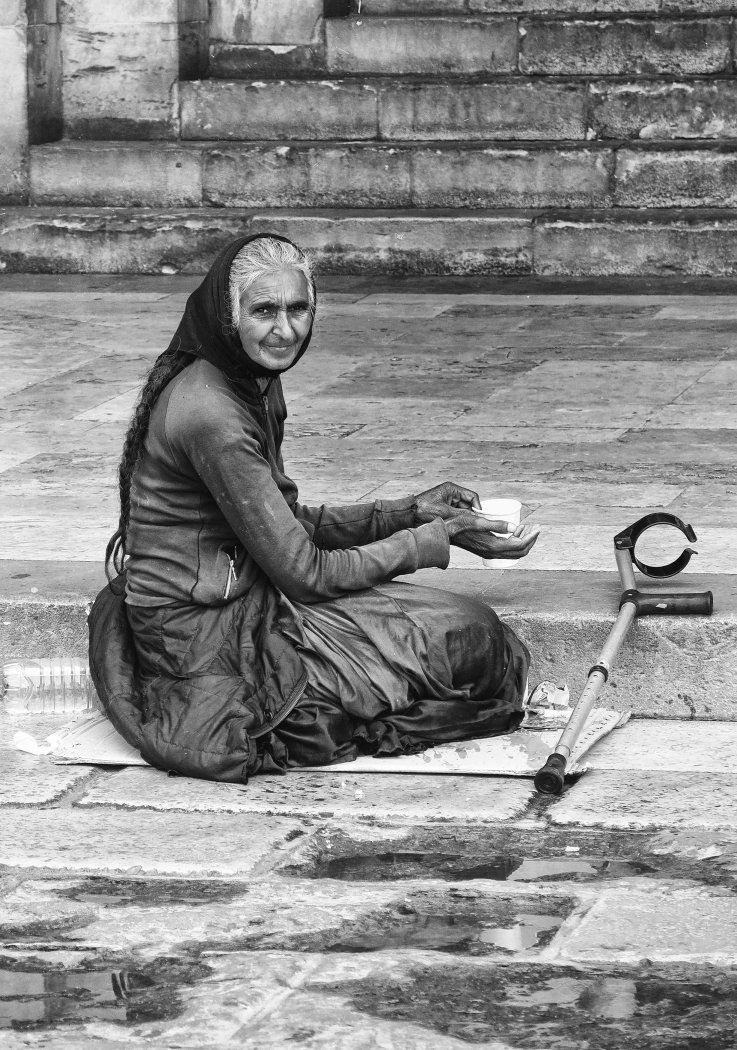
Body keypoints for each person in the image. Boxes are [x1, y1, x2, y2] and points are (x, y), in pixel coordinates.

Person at [88, 233, 540, 782]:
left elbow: (290, 523)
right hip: (201, 633)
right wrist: (433, 540)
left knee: (473, 636)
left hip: (251, 598)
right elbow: (305, 573)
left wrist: (412, 512)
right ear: (229, 316)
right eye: (263, 311)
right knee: (474, 641)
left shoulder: (252, 379)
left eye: (298, 309)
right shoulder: (211, 413)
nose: (285, 330)